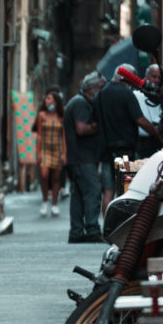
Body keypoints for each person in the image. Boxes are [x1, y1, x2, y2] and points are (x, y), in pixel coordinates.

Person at [94, 63, 163, 214]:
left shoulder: (100, 95)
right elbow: (140, 120)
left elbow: (95, 123)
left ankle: (107, 227)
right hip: (125, 152)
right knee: (126, 192)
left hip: (106, 151)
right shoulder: (127, 94)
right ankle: (122, 228)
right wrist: (158, 134)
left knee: (108, 191)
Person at [63, 71, 105, 243]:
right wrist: (98, 126)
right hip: (83, 157)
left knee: (79, 194)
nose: (102, 93)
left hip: (79, 157)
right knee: (92, 191)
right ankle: (92, 228)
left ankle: (77, 231)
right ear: (91, 89)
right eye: (100, 89)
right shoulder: (81, 104)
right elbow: (81, 129)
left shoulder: (78, 102)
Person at [35, 88, 66, 217]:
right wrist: (38, 152)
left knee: (56, 178)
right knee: (44, 175)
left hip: (58, 149)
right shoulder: (42, 115)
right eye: (46, 99)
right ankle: (44, 201)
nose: (47, 101)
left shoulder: (61, 116)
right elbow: (39, 135)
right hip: (45, 149)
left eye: (50, 99)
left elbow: (64, 136)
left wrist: (65, 153)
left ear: (56, 102)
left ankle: (54, 204)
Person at [134, 63, 163, 159]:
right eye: (154, 77)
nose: (156, 80)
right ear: (146, 77)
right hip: (142, 143)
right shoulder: (136, 95)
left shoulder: (162, 97)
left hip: (159, 141)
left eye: (159, 78)